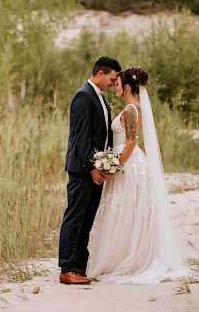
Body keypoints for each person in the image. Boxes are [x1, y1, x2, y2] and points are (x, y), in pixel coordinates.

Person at [85, 67, 190, 283]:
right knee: (125, 211)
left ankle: (128, 259)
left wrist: (114, 166)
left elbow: (131, 142)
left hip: (129, 163)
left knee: (126, 211)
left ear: (127, 86)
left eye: (118, 83)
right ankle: (120, 256)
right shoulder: (134, 107)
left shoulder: (132, 109)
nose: (115, 85)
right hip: (127, 162)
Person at [57, 56, 121, 285]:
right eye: (112, 79)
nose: (114, 84)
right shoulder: (84, 96)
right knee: (75, 216)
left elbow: (102, 135)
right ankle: (67, 268)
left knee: (87, 218)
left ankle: (80, 266)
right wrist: (92, 168)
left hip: (95, 167)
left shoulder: (100, 98)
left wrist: (107, 163)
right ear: (100, 73)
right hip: (81, 168)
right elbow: (81, 137)